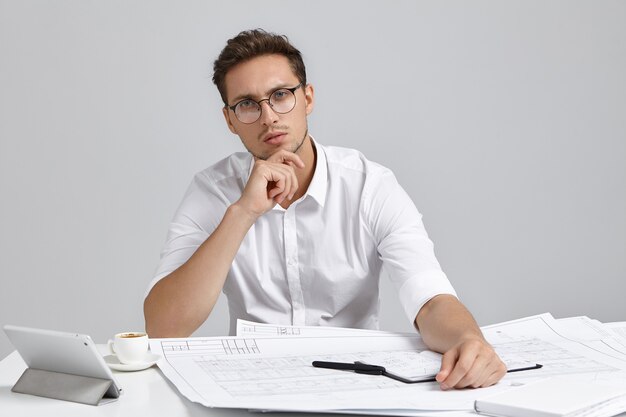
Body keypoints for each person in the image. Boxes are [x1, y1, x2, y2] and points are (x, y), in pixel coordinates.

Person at [144, 29, 506, 390]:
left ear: (308, 98)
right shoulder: (213, 191)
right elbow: (164, 326)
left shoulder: (370, 186)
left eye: (281, 95)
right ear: (230, 120)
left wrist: (467, 340)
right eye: (248, 105)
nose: (268, 117)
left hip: (355, 386)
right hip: (252, 388)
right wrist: (242, 213)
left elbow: (428, 299)